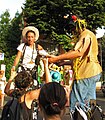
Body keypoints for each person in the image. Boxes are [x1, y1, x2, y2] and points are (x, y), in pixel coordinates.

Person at [49, 15, 102, 113]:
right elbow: (83, 57)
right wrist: (64, 62)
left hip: (86, 73)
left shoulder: (85, 35)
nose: (72, 31)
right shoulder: (89, 34)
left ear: (77, 25)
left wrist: (57, 58)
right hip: (93, 72)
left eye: (72, 28)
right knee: (89, 104)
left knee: (76, 104)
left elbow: (78, 53)